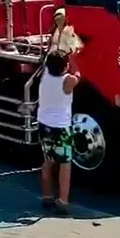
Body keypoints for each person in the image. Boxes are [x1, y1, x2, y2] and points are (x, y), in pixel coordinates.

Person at [37, 50, 78, 215]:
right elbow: (78, 74)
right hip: (60, 128)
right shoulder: (68, 81)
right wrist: (74, 59)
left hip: (44, 124)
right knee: (65, 164)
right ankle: (62, 200)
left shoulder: (45, 76)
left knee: (48, 161)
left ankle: (47, 196)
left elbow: (50, 62)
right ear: (65, 66)